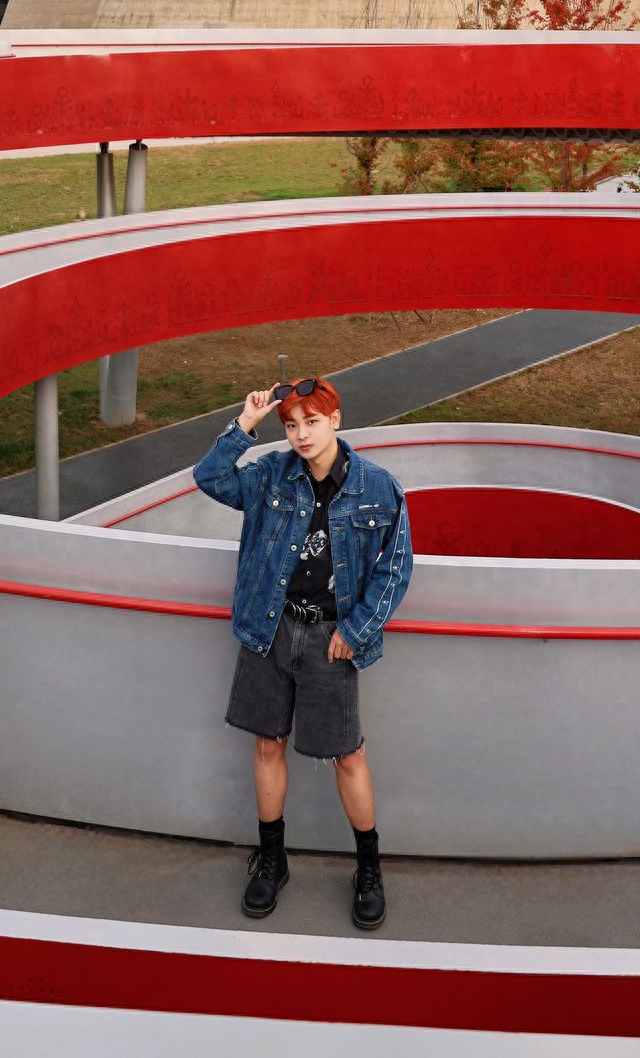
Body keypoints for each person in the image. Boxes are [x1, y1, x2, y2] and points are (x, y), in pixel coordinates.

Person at [193, 375, 413, 930]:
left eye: (311, 422)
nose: (300, 435)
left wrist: (357, 631)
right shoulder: (271, 475)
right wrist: (247, 424)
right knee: (269, 745)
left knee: (348, 755)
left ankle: (368, 867)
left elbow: (396, 566)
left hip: (330, 641)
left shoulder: (378, 488)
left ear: (335, 420)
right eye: (291, 425)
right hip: (270, 631)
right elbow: (210, 476)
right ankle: (272, 859)